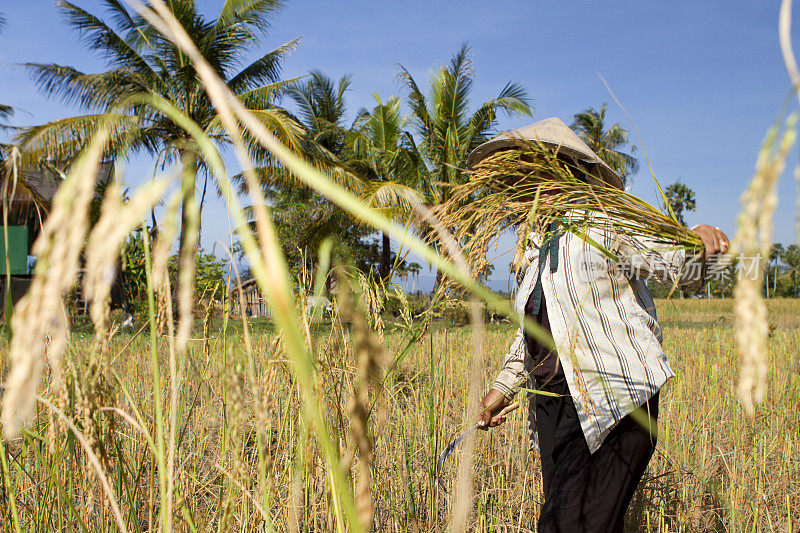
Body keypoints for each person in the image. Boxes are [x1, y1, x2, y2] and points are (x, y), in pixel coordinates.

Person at [468, 118, 728, 532]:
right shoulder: (533, 246)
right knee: (580, 521)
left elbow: (673, 263)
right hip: (551, 404)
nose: (520, 183)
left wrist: (698, 243)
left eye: (529, 170)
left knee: (566, 525)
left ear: (563, 168)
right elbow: (532, 330)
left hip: (614, 397)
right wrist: (500, 389)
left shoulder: (606, 222)